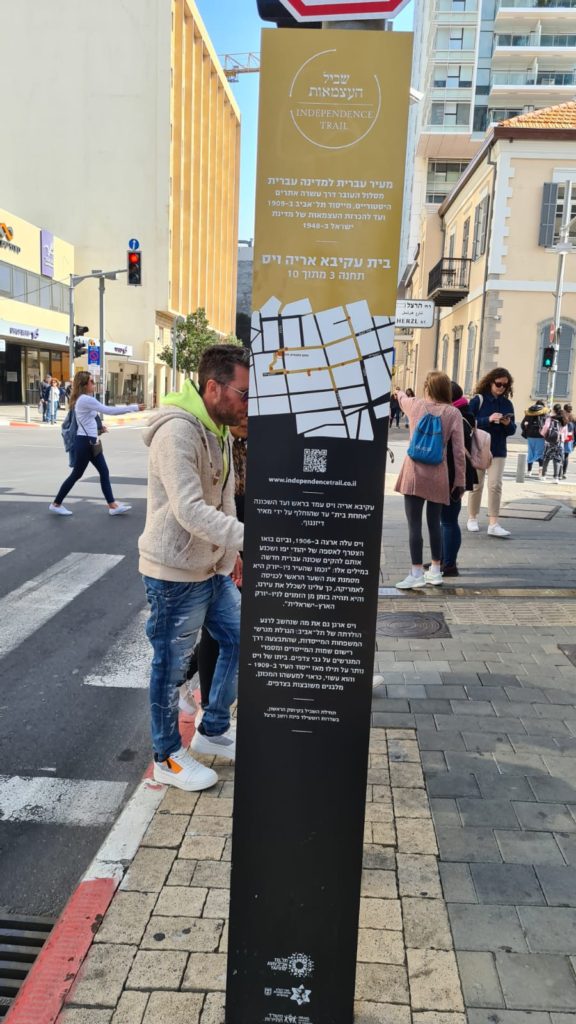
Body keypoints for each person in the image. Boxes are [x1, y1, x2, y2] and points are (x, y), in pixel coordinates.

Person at [139, 344, 249, 792]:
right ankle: (167, 755)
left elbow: (222, 496)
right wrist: (252, 540)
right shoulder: (178, 434)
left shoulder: (215, 428)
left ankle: (213, 729)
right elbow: (188, 509)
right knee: (169, 666)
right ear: (213, 387)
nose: (248, 403)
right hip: (174, 574)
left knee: (243, 638)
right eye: (243, 393)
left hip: (210, 570)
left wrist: (230, 556)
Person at [179, 416, 248, 719]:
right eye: (242, 413)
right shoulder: (218, 448)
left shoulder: (245, 447)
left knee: (228, 630)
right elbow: (210, 510)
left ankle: (179, 680)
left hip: (239, 544)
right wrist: (232, 553)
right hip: (225, 549)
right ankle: (208, 707)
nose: (247, 419)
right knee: (217, 632)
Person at [393, 371, 466, 590]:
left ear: (427, 388)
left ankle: (416, 572)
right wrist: (459, 482)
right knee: (434, 523)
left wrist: (397, 392)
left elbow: (401, 398)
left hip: (413, 473)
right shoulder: (453, 413)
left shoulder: (415, 405)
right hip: (438, 474)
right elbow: (459, 452)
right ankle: (435, 571)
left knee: (414, 525)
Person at [49, 370, 144, 516]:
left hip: (90, 441)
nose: (94, 384)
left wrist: (99, 429)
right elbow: (109, 411)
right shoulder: (86, 400)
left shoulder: (82, 399)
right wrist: (134, 407)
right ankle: (56, 504)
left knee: (103, 472)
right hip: (86, 443)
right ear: (84, 384)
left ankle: (112, 506)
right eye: (91, 382)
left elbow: (88, 420)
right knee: (77, 474)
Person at [466, 368, 516, 538]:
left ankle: (493, 523)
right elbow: (467, 421)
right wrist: (488, 419)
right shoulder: (478, 400)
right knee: (476, 485)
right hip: (480, 446)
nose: (501, 387)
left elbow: (512, 430)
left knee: (495, 485)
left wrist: (507, 423)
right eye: (498, 384)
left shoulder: (507, 404)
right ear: (490, 382)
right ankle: (472, 518)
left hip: (499, 449)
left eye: (505, 385)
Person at [440, 382, 477, 577]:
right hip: (457, 473)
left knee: (447, 520)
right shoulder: (464, 412)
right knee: (447, 520)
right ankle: (444, 560)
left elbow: (458, 453)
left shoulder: (456, 416)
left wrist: (458, 481)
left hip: (453, 474)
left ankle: (448, 564)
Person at [520, 399, 547, 477]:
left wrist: (527, 430)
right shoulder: (544, 413)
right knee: (540, 453)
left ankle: (529, 471)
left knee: (530, 452)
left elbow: (522, 424)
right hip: (540, 436)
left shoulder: (529, 412)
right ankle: (540, 471)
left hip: (530, 436)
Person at [541, 404, 567, 484]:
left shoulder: (550, 418)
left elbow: (545, 428)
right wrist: (562, 439)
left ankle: (543, 475)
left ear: (554, 410)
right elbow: (565, 432)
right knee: (557, 459)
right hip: (559, 442)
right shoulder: (564, 419)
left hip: (549, 441)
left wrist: (543, 434)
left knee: (547, 458)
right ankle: (556, 478)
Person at [562, 404, 574, 480]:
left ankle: (558, 472)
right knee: (566, 456)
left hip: (561, 437)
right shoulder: (573, 417)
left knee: (559, 455)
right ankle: (564, 473)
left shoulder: (562, 415)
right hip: (569, 438)